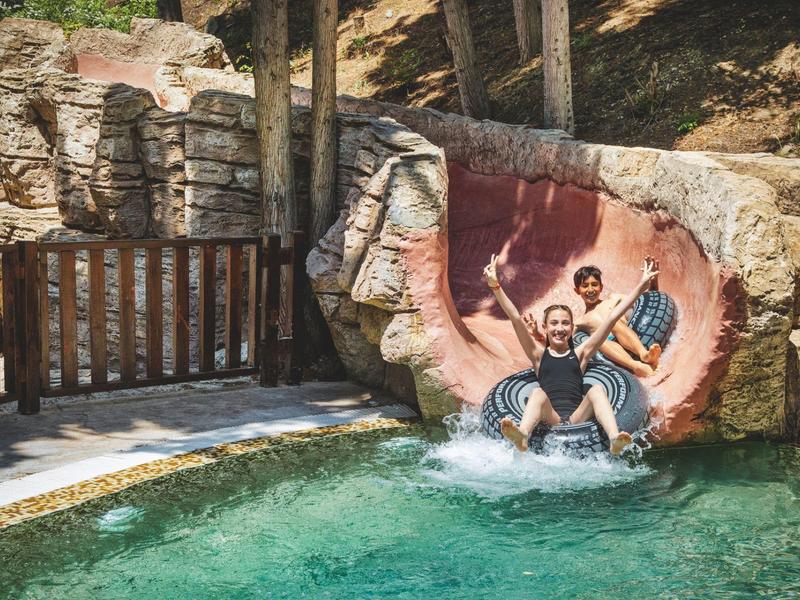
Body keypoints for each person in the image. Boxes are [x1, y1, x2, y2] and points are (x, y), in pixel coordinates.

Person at [482, 254, 660, 455]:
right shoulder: (538, 355)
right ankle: (522, 435)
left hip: (577, 416)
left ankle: (613, 439)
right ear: (546, 328)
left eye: (565, 323)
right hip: (551, 416)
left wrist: (642, 285)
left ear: (572, 327)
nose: (560, 328)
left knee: (596, 390)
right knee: (538, 393)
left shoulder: (581, 353)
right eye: (554, 324)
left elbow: (612, 318)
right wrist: (495, 286)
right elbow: (515, 317)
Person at [571, 259, 661, 377]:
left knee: (613, 321)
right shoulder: (580, 322)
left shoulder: (614, 299)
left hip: (626, 333)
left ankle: (644, 354)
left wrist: (653, 282)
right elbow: (564, 346)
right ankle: (635, 366)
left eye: (594, 284)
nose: (590, 290)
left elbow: (649, 307)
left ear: (601, 287)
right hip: (610, 349)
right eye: (585, 286)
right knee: (597, 340)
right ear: (577, 290)